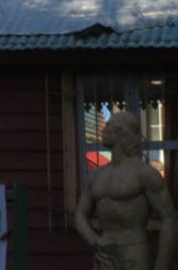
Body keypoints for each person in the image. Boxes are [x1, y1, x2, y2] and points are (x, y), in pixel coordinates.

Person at [75, 111, 177, 270]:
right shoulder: (96, 175)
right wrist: (94, 240)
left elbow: (169, 218)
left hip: (133, 251)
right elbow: (80, 213)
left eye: (108, 126)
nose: (102, 129)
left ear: (121, 132)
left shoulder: (144, 173)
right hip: (104, 252)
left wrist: (162, 265)